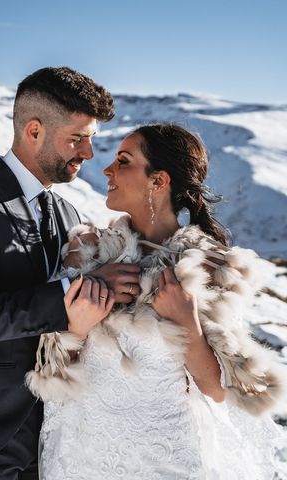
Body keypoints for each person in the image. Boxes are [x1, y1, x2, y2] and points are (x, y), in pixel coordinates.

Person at [0, 67, 142, 480]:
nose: (88, 154)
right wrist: (83, 288)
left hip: (52, 437)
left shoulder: (67, 213)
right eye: (77, 138)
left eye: (91, 139)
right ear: (34, 130)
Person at [27, 123, 287, 479]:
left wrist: (188, 324)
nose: (107, 170)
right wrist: (79, 326)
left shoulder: (207, 266)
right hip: (83, 453)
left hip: (165, 459)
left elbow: (218, 390)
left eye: (123, 161)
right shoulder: (87, 253)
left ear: (158, 181)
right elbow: (52, 373)